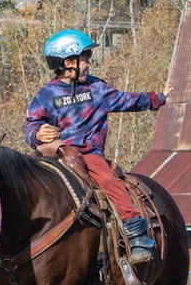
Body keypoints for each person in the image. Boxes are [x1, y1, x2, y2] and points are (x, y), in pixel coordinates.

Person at [25, 29, 170, 265]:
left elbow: (128, 100)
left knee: (109, 181)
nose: (89, 64)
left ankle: (136, 235)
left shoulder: (97, 89)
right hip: (52, 155)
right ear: (68, 62)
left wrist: (158, 98)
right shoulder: (45, 95)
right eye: (85, 59)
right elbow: (31, 127)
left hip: (87, 155)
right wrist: (38, 134)